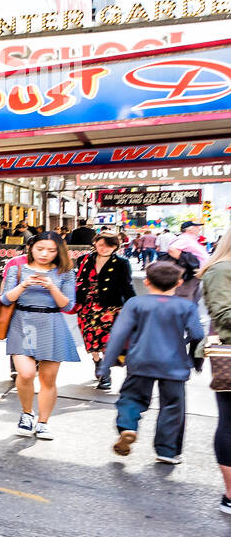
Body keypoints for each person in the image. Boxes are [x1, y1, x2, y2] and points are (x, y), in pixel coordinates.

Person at [98, 259, 203, 466]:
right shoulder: (186, 306)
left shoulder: (136, 304)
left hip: (140, 361)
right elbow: (197, 333)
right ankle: (167, 451)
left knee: (131, 397)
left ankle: (128, 426)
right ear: (179, 282)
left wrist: (105, 364)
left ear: (147, 282)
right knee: (173, 407)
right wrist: (193, 358)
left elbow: (119, 335)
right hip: (174, 364)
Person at [2, 231, 77, 440]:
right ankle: (27, 413)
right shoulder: (17, 268)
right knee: (25, 374)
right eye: (40, 249)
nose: (45, 254)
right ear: (31, 248)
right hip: (22, 321)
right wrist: (24, 285)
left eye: (52, 250)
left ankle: (43, 422)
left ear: (59, 251)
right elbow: (5, 299)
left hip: (52, 323)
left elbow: (68, 304)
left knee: (48, 379)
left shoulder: (66, 272)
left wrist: (52, 287)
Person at [74, 231, 135, 390]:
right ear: (94, 243)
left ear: (116, 246)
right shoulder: (84, 260)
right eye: (101, 244)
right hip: (86, 306)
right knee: (90, 338)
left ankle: (105, 371)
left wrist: (132, 307)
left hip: (110, 307)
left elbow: (127, 287)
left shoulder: (121, 263)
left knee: (107, 340)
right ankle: (97, 362)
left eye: (110, 245)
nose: (104, 248)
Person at [197, 234, 231, 513]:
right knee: (229, 422)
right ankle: (230, 495)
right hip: (229, 353)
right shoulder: (221, 270)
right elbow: (223, 316)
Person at [165, 220, 210, 303]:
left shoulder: (189, 239)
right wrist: (188, 263)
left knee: (193, 296)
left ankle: (189, 313)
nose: (199, 228)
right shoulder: (185, 238)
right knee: (184, 295)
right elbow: (172, 249)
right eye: (196, 227)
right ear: (190, 229)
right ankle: (184, 313)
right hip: (190, 272)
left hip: (195, 273)